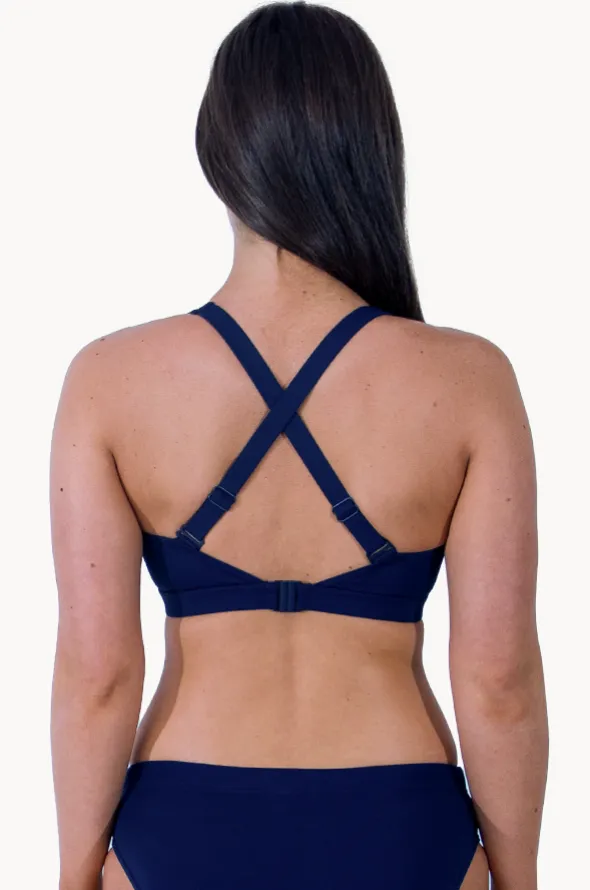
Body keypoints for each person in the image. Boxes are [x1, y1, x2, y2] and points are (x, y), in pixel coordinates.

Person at [50, 3, 548, 889]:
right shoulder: (471, 380)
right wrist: (517, 876)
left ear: (216, 153)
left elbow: (99, 675)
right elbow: (497, 678)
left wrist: (76, 872)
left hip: (185, 824)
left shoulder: (110, 380)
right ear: (373, 149)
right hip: (400, 823)